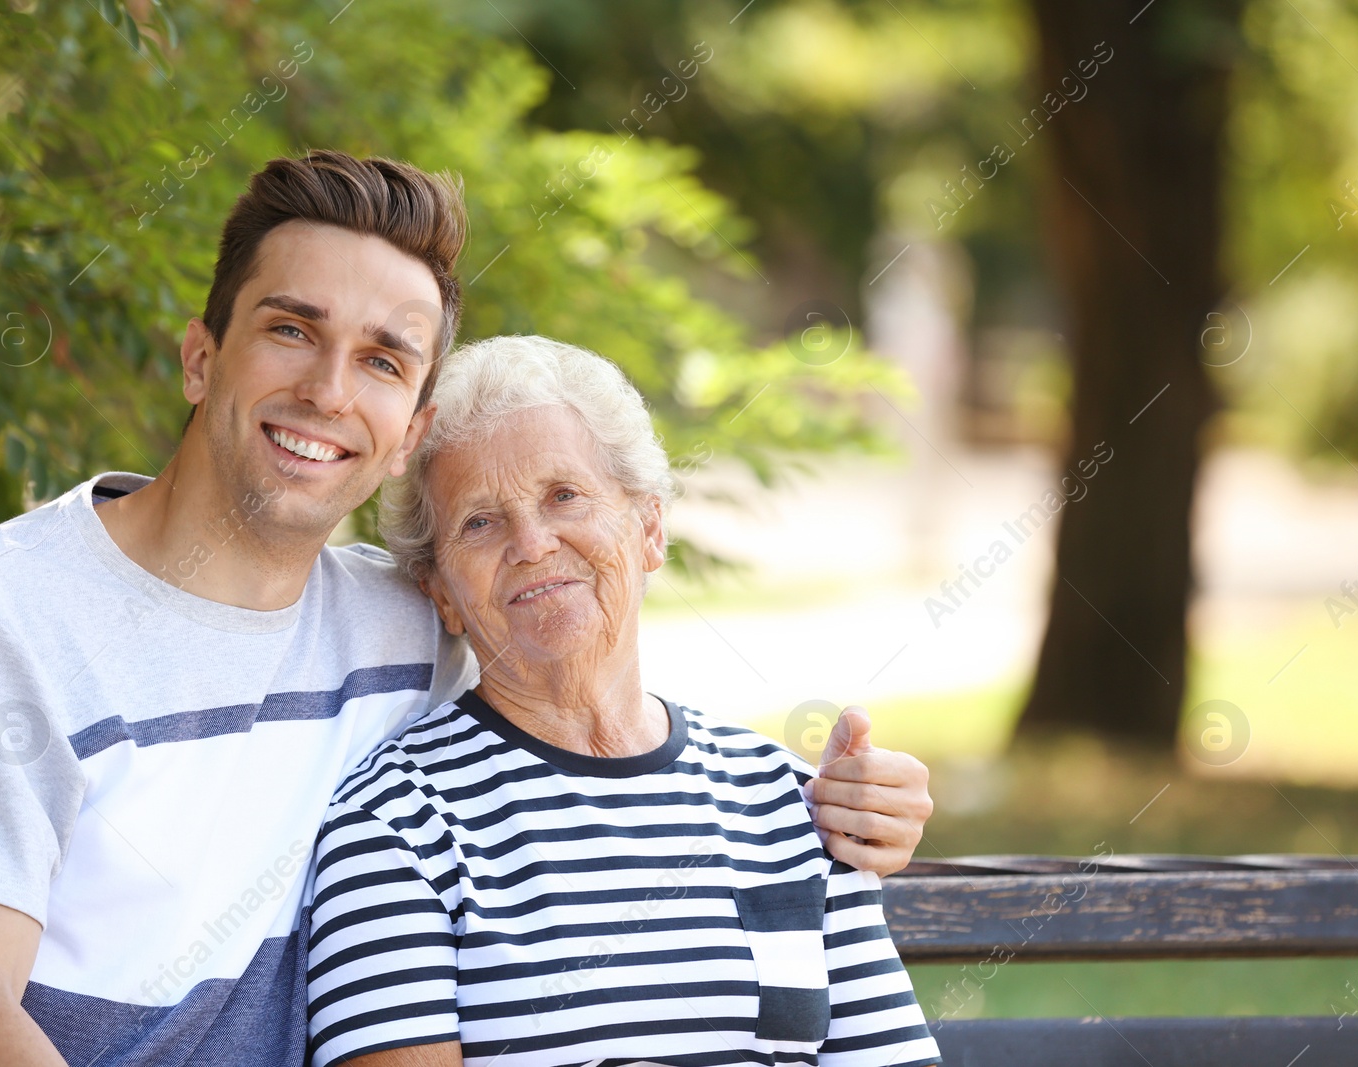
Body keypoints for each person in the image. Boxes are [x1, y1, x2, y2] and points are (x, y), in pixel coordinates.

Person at [0, 153, 933, 1067]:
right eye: (290, 329)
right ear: (201, 357)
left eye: (383, 359)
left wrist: (845, 799)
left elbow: (585, 695)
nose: (327, 390)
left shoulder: (397, 622)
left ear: (407, 427)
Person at [305, 335, 941, 1067]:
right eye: (480, 521)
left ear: (649, 528)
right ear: (441, 593)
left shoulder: (785, 801)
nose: (534, 543)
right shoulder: (395, 827)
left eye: (564, 495)